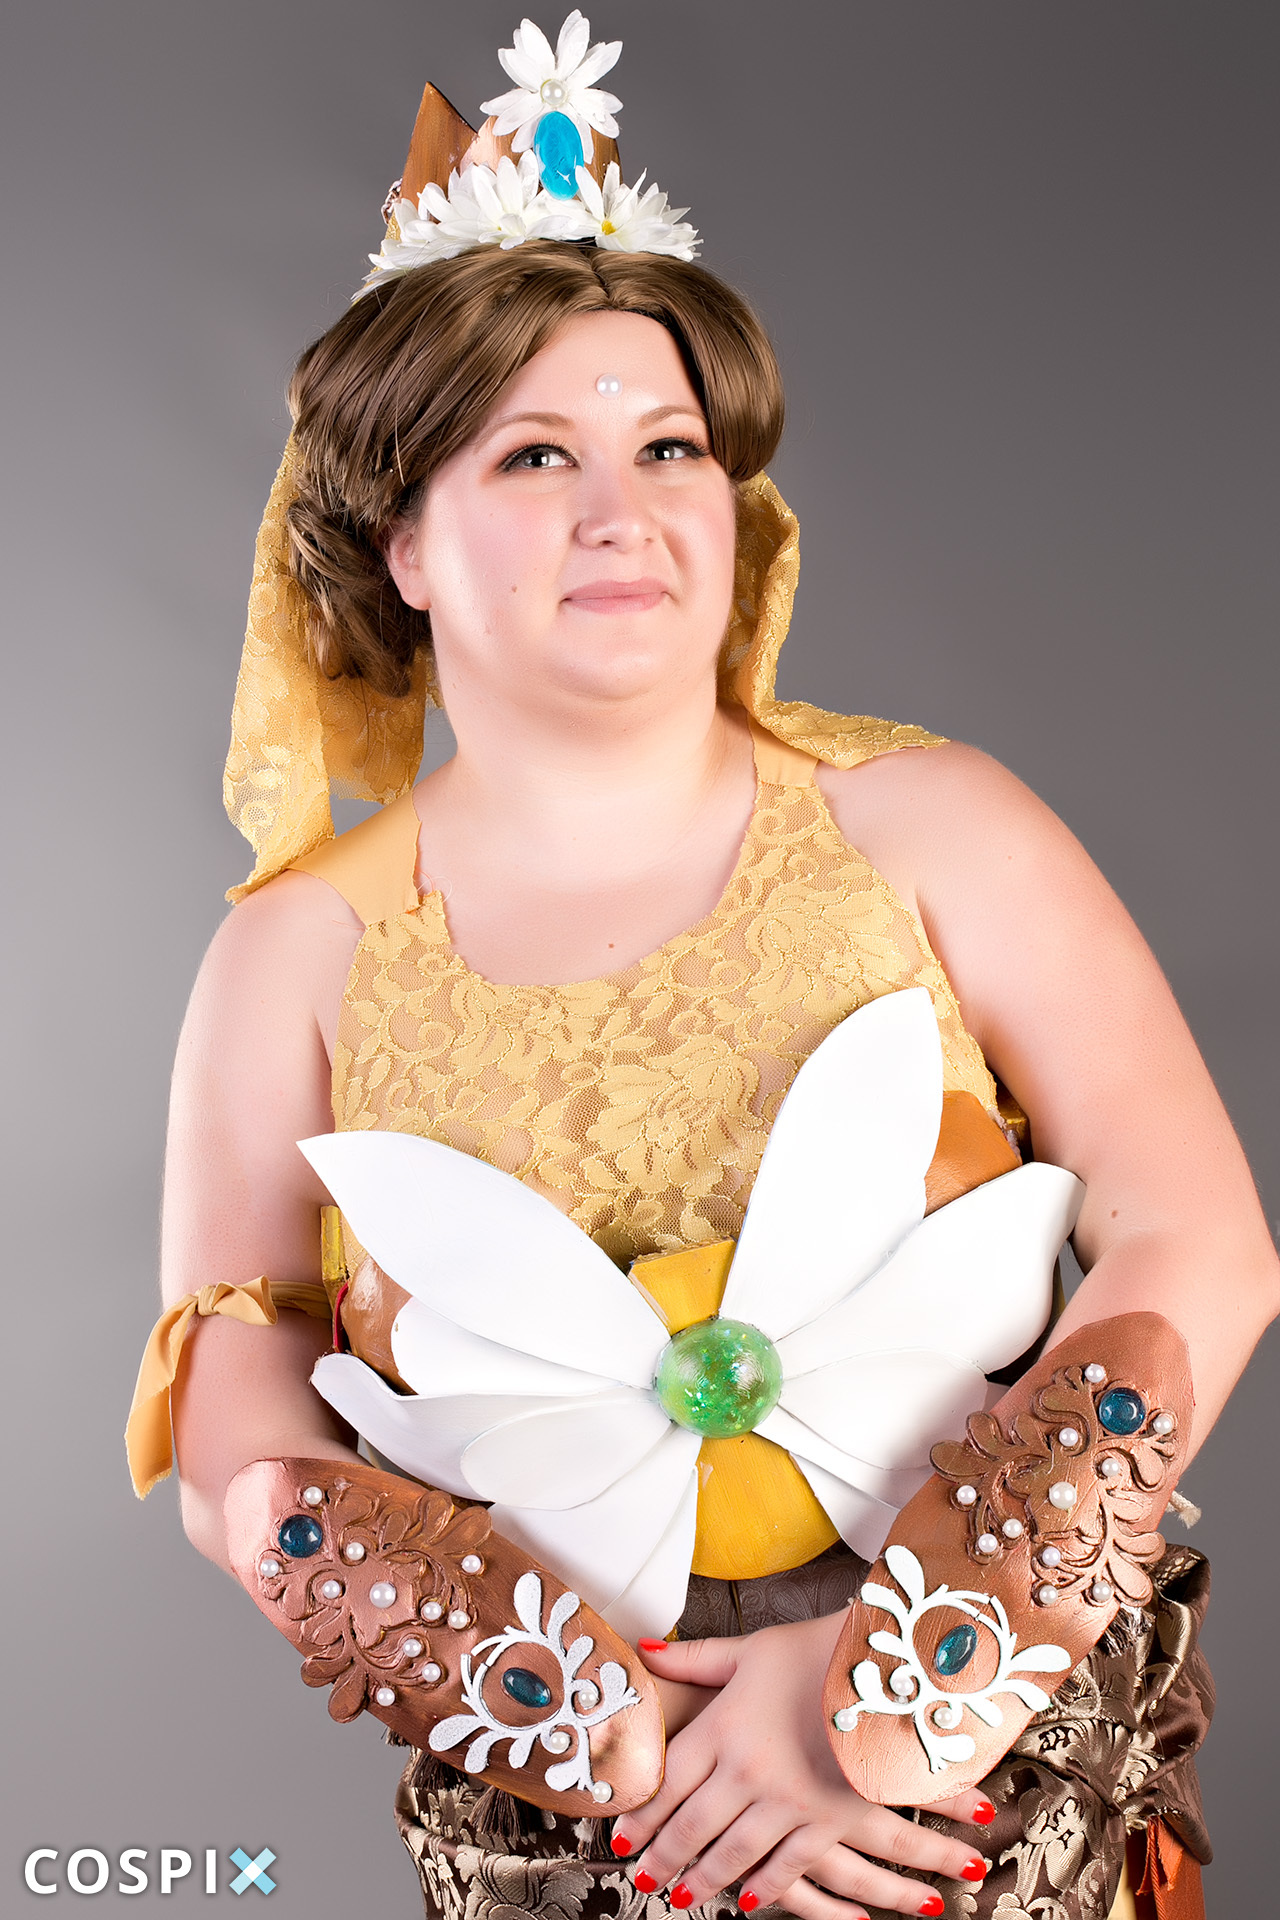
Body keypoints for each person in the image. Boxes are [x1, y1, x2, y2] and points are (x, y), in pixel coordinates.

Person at [127, 15, 1278, 1920]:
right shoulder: (292, 957)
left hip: (985, 1753)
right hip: (582, 1788)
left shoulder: (937, 824)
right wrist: (638, 1737)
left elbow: (1199, 1244)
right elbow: (234, 1436)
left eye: (670, 447)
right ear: (401, 542)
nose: (626, 510)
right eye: (535, 455)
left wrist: (882, 1692)